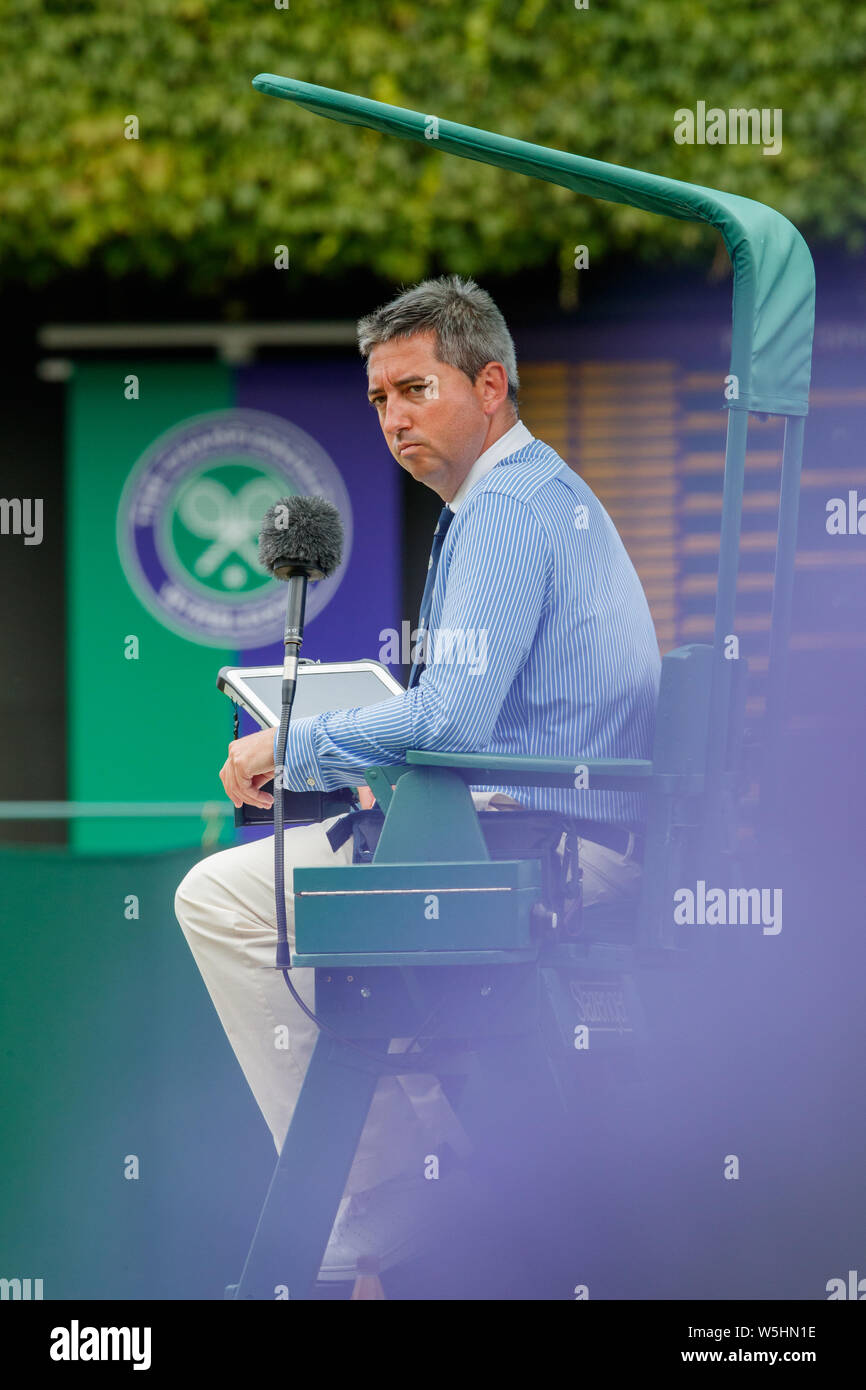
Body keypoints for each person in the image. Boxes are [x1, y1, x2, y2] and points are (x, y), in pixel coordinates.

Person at [174, 274, 661, 1264]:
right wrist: (373, 766)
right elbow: (474, 723)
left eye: (415, 390)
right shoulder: (528, 492)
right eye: (379, 400)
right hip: (536, 836)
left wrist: (297, 742)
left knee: (216, 896)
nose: (394, 418)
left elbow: (448, 715)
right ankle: (428, 1174)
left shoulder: (506, 506)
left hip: (539, 858)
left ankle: (393, 1206)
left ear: (490, 387)